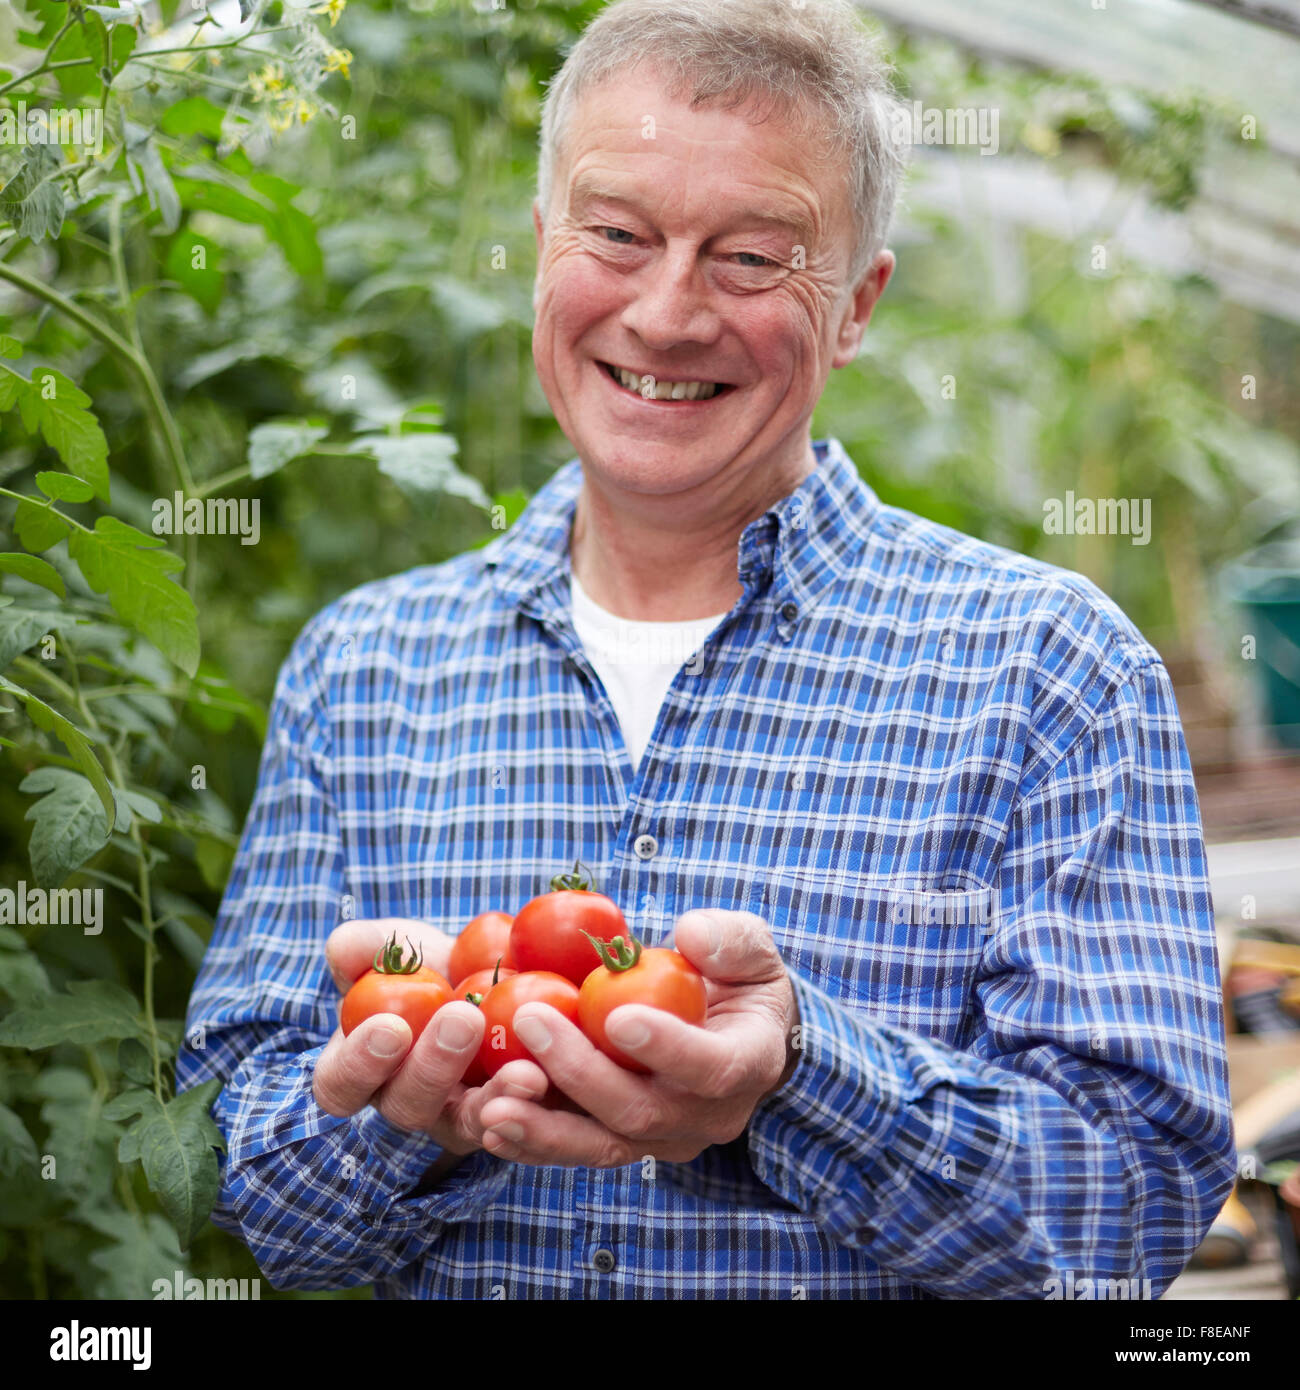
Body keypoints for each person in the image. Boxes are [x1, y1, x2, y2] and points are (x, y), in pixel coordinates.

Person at [176, 0, 1236, 1298]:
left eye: (750, 258)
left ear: (855, 305)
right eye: (617, 235)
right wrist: (394, 1114)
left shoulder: (1049, 671)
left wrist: (795, 1078)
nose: (667, 314)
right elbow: (234, 1163)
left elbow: (1134, 1207)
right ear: (542, 248)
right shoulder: (366, 671)